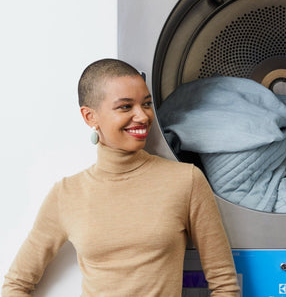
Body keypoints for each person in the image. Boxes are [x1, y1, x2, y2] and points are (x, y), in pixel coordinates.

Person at [2, 59, 240, 296]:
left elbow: (224, 283)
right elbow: (15, 284)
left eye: (146, 104)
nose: (143, 116)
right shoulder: (66, 193)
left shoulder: (186, 180)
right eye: (126, 107)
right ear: (89, 117)